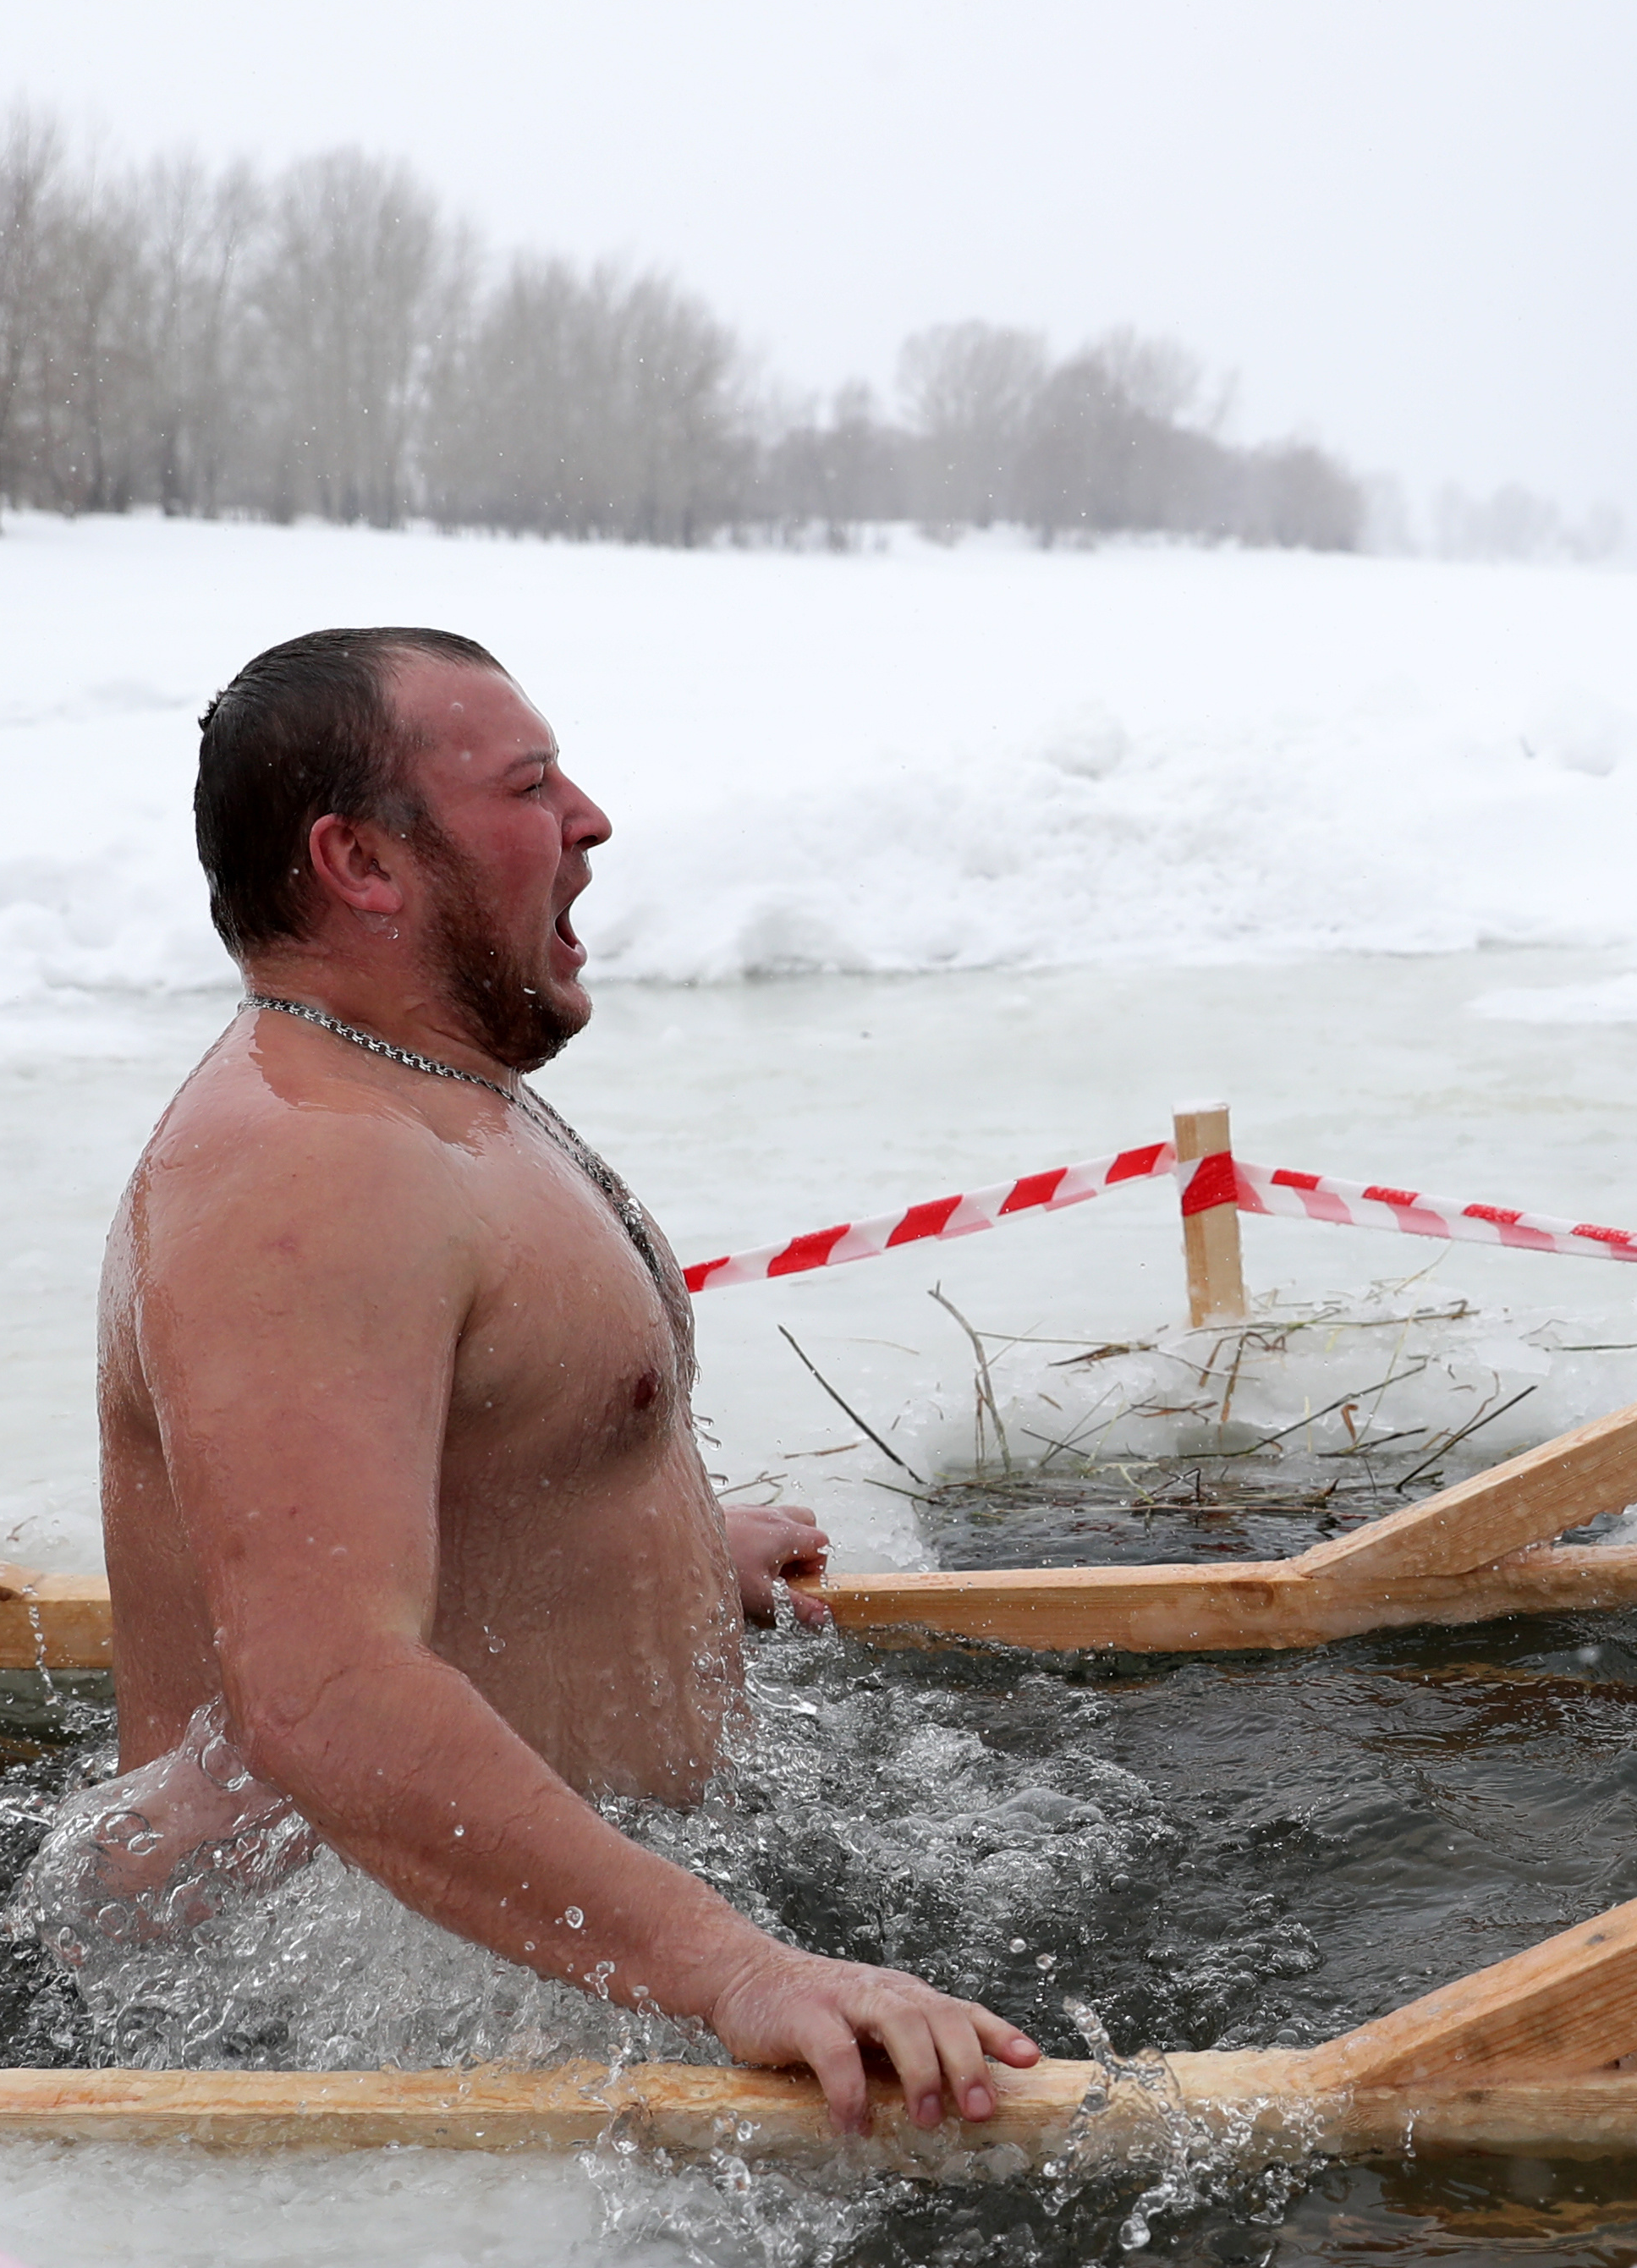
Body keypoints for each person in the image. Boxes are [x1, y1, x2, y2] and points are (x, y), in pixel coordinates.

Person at [81, 624, 1036, 2131]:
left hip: (525, 1937)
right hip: (337, 2012)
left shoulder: (425, 1095)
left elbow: (431, 1460)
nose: (589, 819)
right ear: (364, 866)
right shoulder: (306, 1175)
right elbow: (321, 1697)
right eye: (529, 787)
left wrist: (649, 1556)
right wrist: (733, 1967)